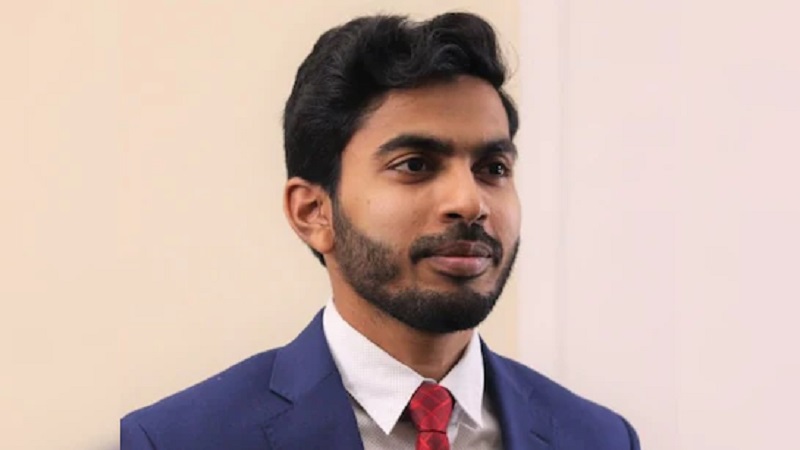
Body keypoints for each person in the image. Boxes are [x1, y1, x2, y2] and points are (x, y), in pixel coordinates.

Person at [121, 12, 639, 450]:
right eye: (415, 165)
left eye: (493, 169)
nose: (469, 202)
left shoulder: (600, 438)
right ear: (313, 212)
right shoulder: (174, 440)